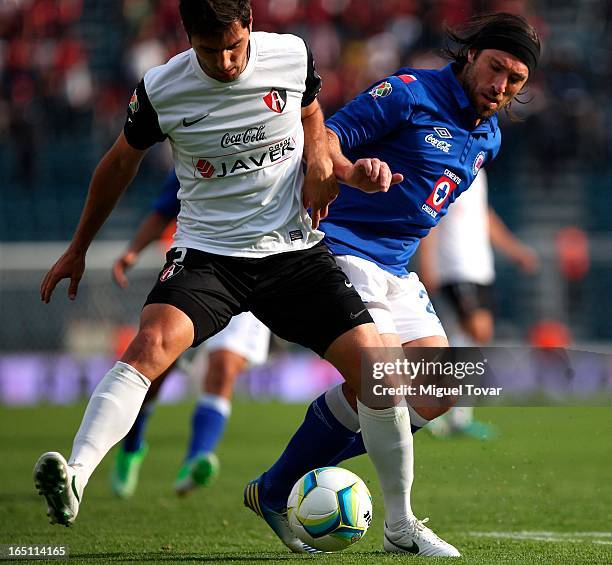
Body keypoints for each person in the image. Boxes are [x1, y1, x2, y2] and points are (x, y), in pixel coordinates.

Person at [33, 1, 410, 559]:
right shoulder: (162, 88)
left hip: (292, 254)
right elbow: (118, 164)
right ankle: (77, 475)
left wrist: (319, 165)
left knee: (381, 372)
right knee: (151, 345)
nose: (227, 61)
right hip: (210, 254)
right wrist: (79, 247)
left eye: (234, 46)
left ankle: (400, 524)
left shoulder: (293, 55)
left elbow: (311, 114)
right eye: (211, 51)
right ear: (188, 40)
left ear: (250, 27)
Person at [246, 12, 540, 557]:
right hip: (340, 248)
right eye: (496, 67)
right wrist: (355, 170)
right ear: (471, 56)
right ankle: (399, 525)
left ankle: (276, 485)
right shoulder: (407, 92)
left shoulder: (489, 138)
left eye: (515, 80)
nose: (501, 85)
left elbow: (427, 208)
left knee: (439, 392)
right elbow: (326, 138)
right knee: (383, 382)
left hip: (397, 271)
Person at [109, 171, 271, 498]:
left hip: (257, 272)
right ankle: (133, 444)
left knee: (224, 368)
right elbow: (164, 209)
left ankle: (196, 459)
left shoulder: (280, 143)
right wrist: (133, 251)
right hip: (198, 274)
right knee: (157, 368)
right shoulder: (201, 143)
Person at [418, 169, 538, 439]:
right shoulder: (449, 164)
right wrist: (428, 259)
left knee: (469, 338)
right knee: (476, 330)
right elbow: (431, 212)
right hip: (455, 265)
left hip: (479, 268)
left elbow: (485, 217)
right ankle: (437, 407)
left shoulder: (478, 170)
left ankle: (452, 413)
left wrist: (515, 251)